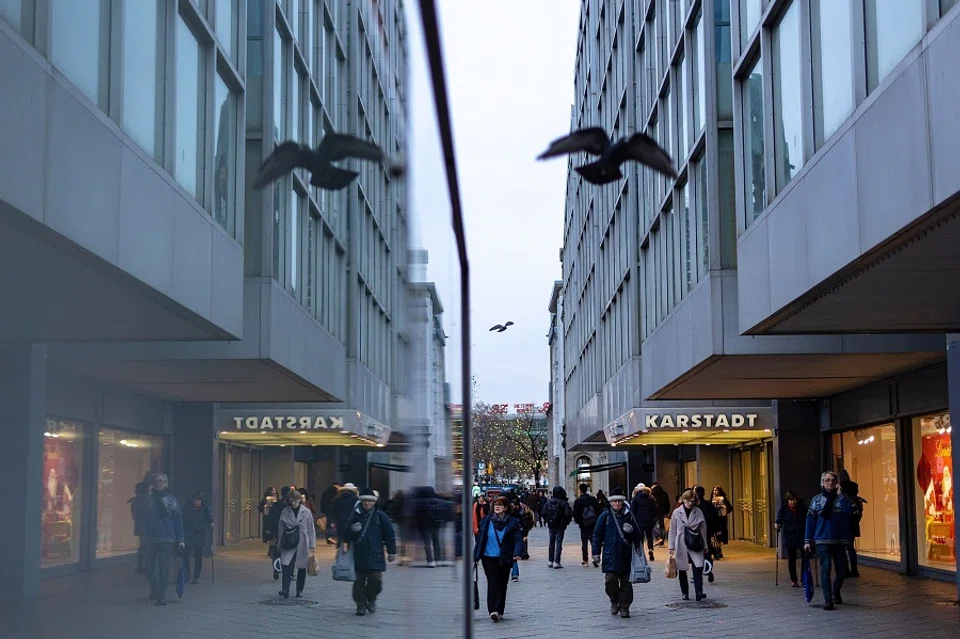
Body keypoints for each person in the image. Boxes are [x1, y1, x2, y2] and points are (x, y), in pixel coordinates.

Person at [805, 470, 854, 610]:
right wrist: (807, 541)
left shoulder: (843, 499)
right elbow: (810, 520)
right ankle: (828, 599)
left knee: (842, 570)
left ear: (837, 483)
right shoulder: (816, 500)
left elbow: (848, 513)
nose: (830, 483)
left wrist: (841, 495)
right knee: (825, 569)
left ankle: (836, 590)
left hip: (839, 540)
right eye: (827, 480)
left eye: (832, 480)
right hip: (822, 540)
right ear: (822, 483)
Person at [591, 488, 641, 618]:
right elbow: (597, 535)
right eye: (614, 502)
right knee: (610, 581)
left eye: (619, 501)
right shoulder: (605, 516)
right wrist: (595, 553)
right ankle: (614, 600)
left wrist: (631, 531)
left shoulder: (630, 515)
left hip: (626, 554)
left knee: (626, 583)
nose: (617, 504)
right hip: (610, 553)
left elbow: (638, 535)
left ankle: (624, 607)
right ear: (611, 503)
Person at [136, 473, 184, 606]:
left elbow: (177, 520)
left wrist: (180, 539)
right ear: (152, 483)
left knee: (164, 568)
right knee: (150, 568)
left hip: (167, 538)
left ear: (166, 484)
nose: (159, 483)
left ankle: (161, 596)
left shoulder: (172, 500)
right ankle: (154, 588)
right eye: (156, 481)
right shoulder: (145, 500)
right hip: (149, 539)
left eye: (161, 481)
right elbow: (138, 517)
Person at [347, 488, 397, 615]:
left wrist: (392, 551)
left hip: (376, 554)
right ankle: (361, 605)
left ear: (374, 502)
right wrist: (352, 530)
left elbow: (389, 534)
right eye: (364, 501)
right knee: (359, 582)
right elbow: (345, 535)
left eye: (369, 501)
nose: (367, 503)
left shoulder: (380, 516)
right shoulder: (354, 515)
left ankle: (372, 598)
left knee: (376, 580)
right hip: (358, 554)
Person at [474, 496, 524, 623]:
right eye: (495, 504)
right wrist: (475, 555)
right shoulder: (486, 520)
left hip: (505, 556)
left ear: (506, 507)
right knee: (493, 582)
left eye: (500, 505)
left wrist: (517, 553)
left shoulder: (513, 522)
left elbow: (518, 539)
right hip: (488, 557)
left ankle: (500, 610)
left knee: (502, 584)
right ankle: (493, 610)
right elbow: (480, 538)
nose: (497, 507)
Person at [669, 489, 709, 602]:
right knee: (682, 569)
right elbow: (672, 531)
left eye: (692, 501)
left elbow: (703, 530)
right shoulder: (677, 512)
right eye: (687, 501)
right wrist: (671, 547)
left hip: (695, 542)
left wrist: (705, 546)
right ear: (683, 500)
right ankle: (684, 592)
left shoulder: (698, 512)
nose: (690, 503)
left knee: (698, 567)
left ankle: (699, 592)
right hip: (681, 543)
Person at [277, 487, 316, 599]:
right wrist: (279, 542)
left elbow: (311, 529)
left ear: (300, 500)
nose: (293, 503)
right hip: (288, 541)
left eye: (295, 500)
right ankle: (285, 589)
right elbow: (281, 528)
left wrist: (312, 545)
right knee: (286, 565)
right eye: (291, 501)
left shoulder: (306, 512)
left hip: (302, 542)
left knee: (302, 567)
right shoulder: (285, 511)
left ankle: (299, 590)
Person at [180, 490, 214, 584]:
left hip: (199, 534)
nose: (197, 502)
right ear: (192, 500)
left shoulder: (205, 508)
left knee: (198, 556)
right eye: (195, 500)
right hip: (188, 534)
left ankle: (196, 576)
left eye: (199, 500)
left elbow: (209, 517)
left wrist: (211, 523)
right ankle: (187, 575)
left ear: (201, 500)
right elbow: (181, 518)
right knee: (185, 555)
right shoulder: (187, 507)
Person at [775, 490, 806, 587]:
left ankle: (804, 577)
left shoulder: (802, 507)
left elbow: (808, 517)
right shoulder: (784, 508)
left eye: (794, 500)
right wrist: (777, 524)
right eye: (790, 500)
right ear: (787, 501)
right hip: (790, 536)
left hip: (802, 534)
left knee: (805, 557)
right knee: (792, 558)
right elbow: (778, 519)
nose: (792, 502)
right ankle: (794, 579)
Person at [838, 469, 863, 578]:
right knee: (851, 547)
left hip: (843, 522)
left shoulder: (840, 490)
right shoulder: (854, 488)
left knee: (843, 548)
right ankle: (854, 570)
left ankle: (845, 570)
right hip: (853, 521)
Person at [542, 486, 573, 568]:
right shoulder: (564, 503)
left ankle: (550, 560)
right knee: (558, 542)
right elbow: (568, 514)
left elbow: (543, 512)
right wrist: (566, 522)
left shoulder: (549, 502)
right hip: (561, 525)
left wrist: (548, 520)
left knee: (551, 542)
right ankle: (557, 561)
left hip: (551, 524)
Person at [573, 483, 601, 566]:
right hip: (593, 523)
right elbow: (598, 511)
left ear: (580, 490)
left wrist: (580, 522)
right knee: (594, 541)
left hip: (583, 525)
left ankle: (585, 560)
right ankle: (595, 558)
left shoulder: (578, 501)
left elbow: (575, 514)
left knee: (584, 543)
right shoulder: (593, 500)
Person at [629, 483, 659, 561]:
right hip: (649, 521)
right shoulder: (651, 497)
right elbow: (655, 510)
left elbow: (632, 511)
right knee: (649, 536)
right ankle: (650, 550)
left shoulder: (635, 498)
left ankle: (640, 552)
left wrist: (635, 520)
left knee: (640, 537)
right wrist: (653, 520)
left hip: (639, 522)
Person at [711, 486, 733, 555]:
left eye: (716, 490)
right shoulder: (711, 499)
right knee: (715, 534)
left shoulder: (724, 499)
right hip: (714, 519)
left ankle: (719, 548)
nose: (715, 492)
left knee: (720, 534)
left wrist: (725, 510)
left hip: (721, 519)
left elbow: (730, 508)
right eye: (714, 490)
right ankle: (717, 548)